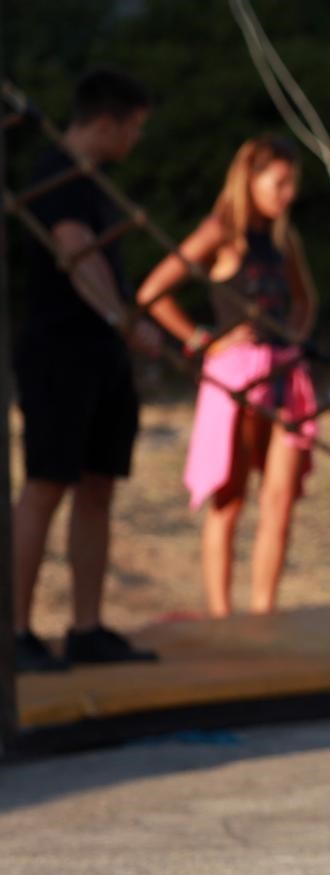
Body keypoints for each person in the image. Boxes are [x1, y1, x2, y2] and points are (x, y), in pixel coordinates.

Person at [11, 69, 162, 672]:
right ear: (106, 122)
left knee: (98, 485)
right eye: (134, 128)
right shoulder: (59, 177)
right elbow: (77, 255)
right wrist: (126, 320)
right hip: (59, 351)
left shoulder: (94, 182)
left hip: (100, 356)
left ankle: (86, 626)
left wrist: (119, 333)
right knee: (47, 485)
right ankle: (16, 630)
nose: (136, 141)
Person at [136, 136, 319, 618]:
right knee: (230, 499)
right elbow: (153, 292)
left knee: (279, 500)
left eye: (292, 183)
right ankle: (222, 616)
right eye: (279, 182)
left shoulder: (285, 240)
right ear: (250, 179)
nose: (288, 194)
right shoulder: (221, 233)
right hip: (235, 379)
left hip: (284, 376)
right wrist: (201, 340)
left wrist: (294, 343)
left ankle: (264, 613)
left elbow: (304, 301)